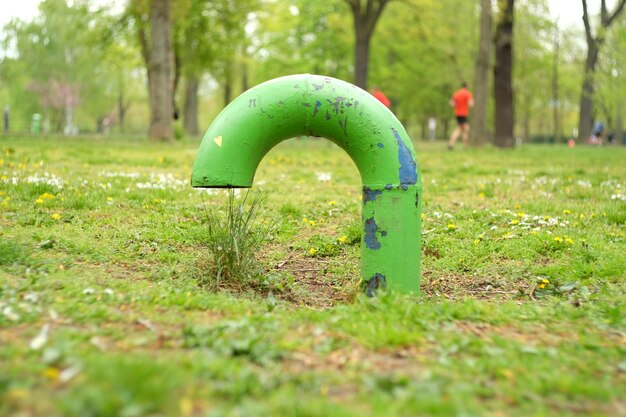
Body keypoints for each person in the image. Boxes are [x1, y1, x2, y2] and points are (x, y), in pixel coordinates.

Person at [447, 82, 474, 150]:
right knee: (461, 129)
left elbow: (451, 103)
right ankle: (451, 143)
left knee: (464, 129)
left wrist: (457, 105)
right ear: (466, 87)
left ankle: (465, 146)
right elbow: (471, 104)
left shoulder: (456, 93)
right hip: (464, 114)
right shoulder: (468, 94)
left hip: (457, 114)